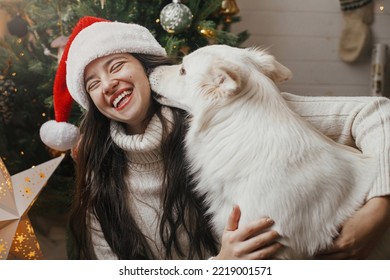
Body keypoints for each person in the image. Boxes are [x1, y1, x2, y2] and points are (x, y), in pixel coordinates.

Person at [40, 16, 390, 260]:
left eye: (116, 66)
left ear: (144, 65)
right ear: (93, 105)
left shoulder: (232, 104)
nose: (108, 83)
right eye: (92, 84)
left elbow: (379, 114)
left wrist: (380, 206)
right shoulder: (101, 178)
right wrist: (223, 265)